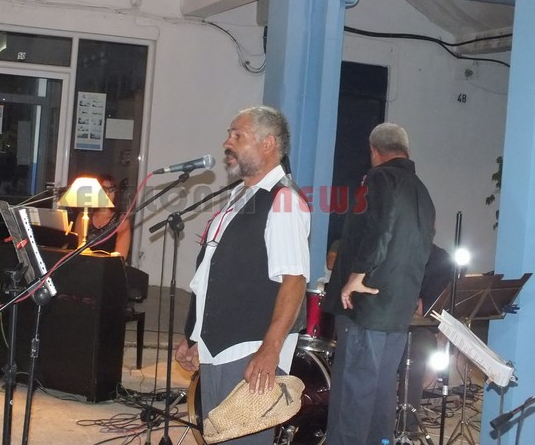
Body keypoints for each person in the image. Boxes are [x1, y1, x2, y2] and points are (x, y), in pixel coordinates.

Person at [175, 105, 310, 445]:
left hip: (251, 352)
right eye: (228, 135)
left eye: (238, 135)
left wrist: (270, 350)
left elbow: (294, 280)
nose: (227, 143)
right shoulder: (240, 196)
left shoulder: (284, 200)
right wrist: (196, 336)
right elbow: (213, 274)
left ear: (268, 143)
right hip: (219, 349)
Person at [323, 122, 436, 445]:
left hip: (367, 305)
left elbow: (380, 228)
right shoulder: (422, 191)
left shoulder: (378, 178)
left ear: (374, 151)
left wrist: (356, 276)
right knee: (381, 395)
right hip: (398, 309)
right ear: (406, 151)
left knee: (353, 395)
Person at [398, 243, 455, 433]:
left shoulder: (439, 259)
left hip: (419, 328)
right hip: (385, 323)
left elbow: (428, 308)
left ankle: (408, 427)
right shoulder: (392, 247)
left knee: (415, 354)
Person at [73, 174, 132, 258]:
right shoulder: (84, 216)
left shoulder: (121, 220)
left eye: (111, 189)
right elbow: (77, 251)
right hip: (83, 263)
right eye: (103, 190)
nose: (108, 193)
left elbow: (120, 258)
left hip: (109, 265)